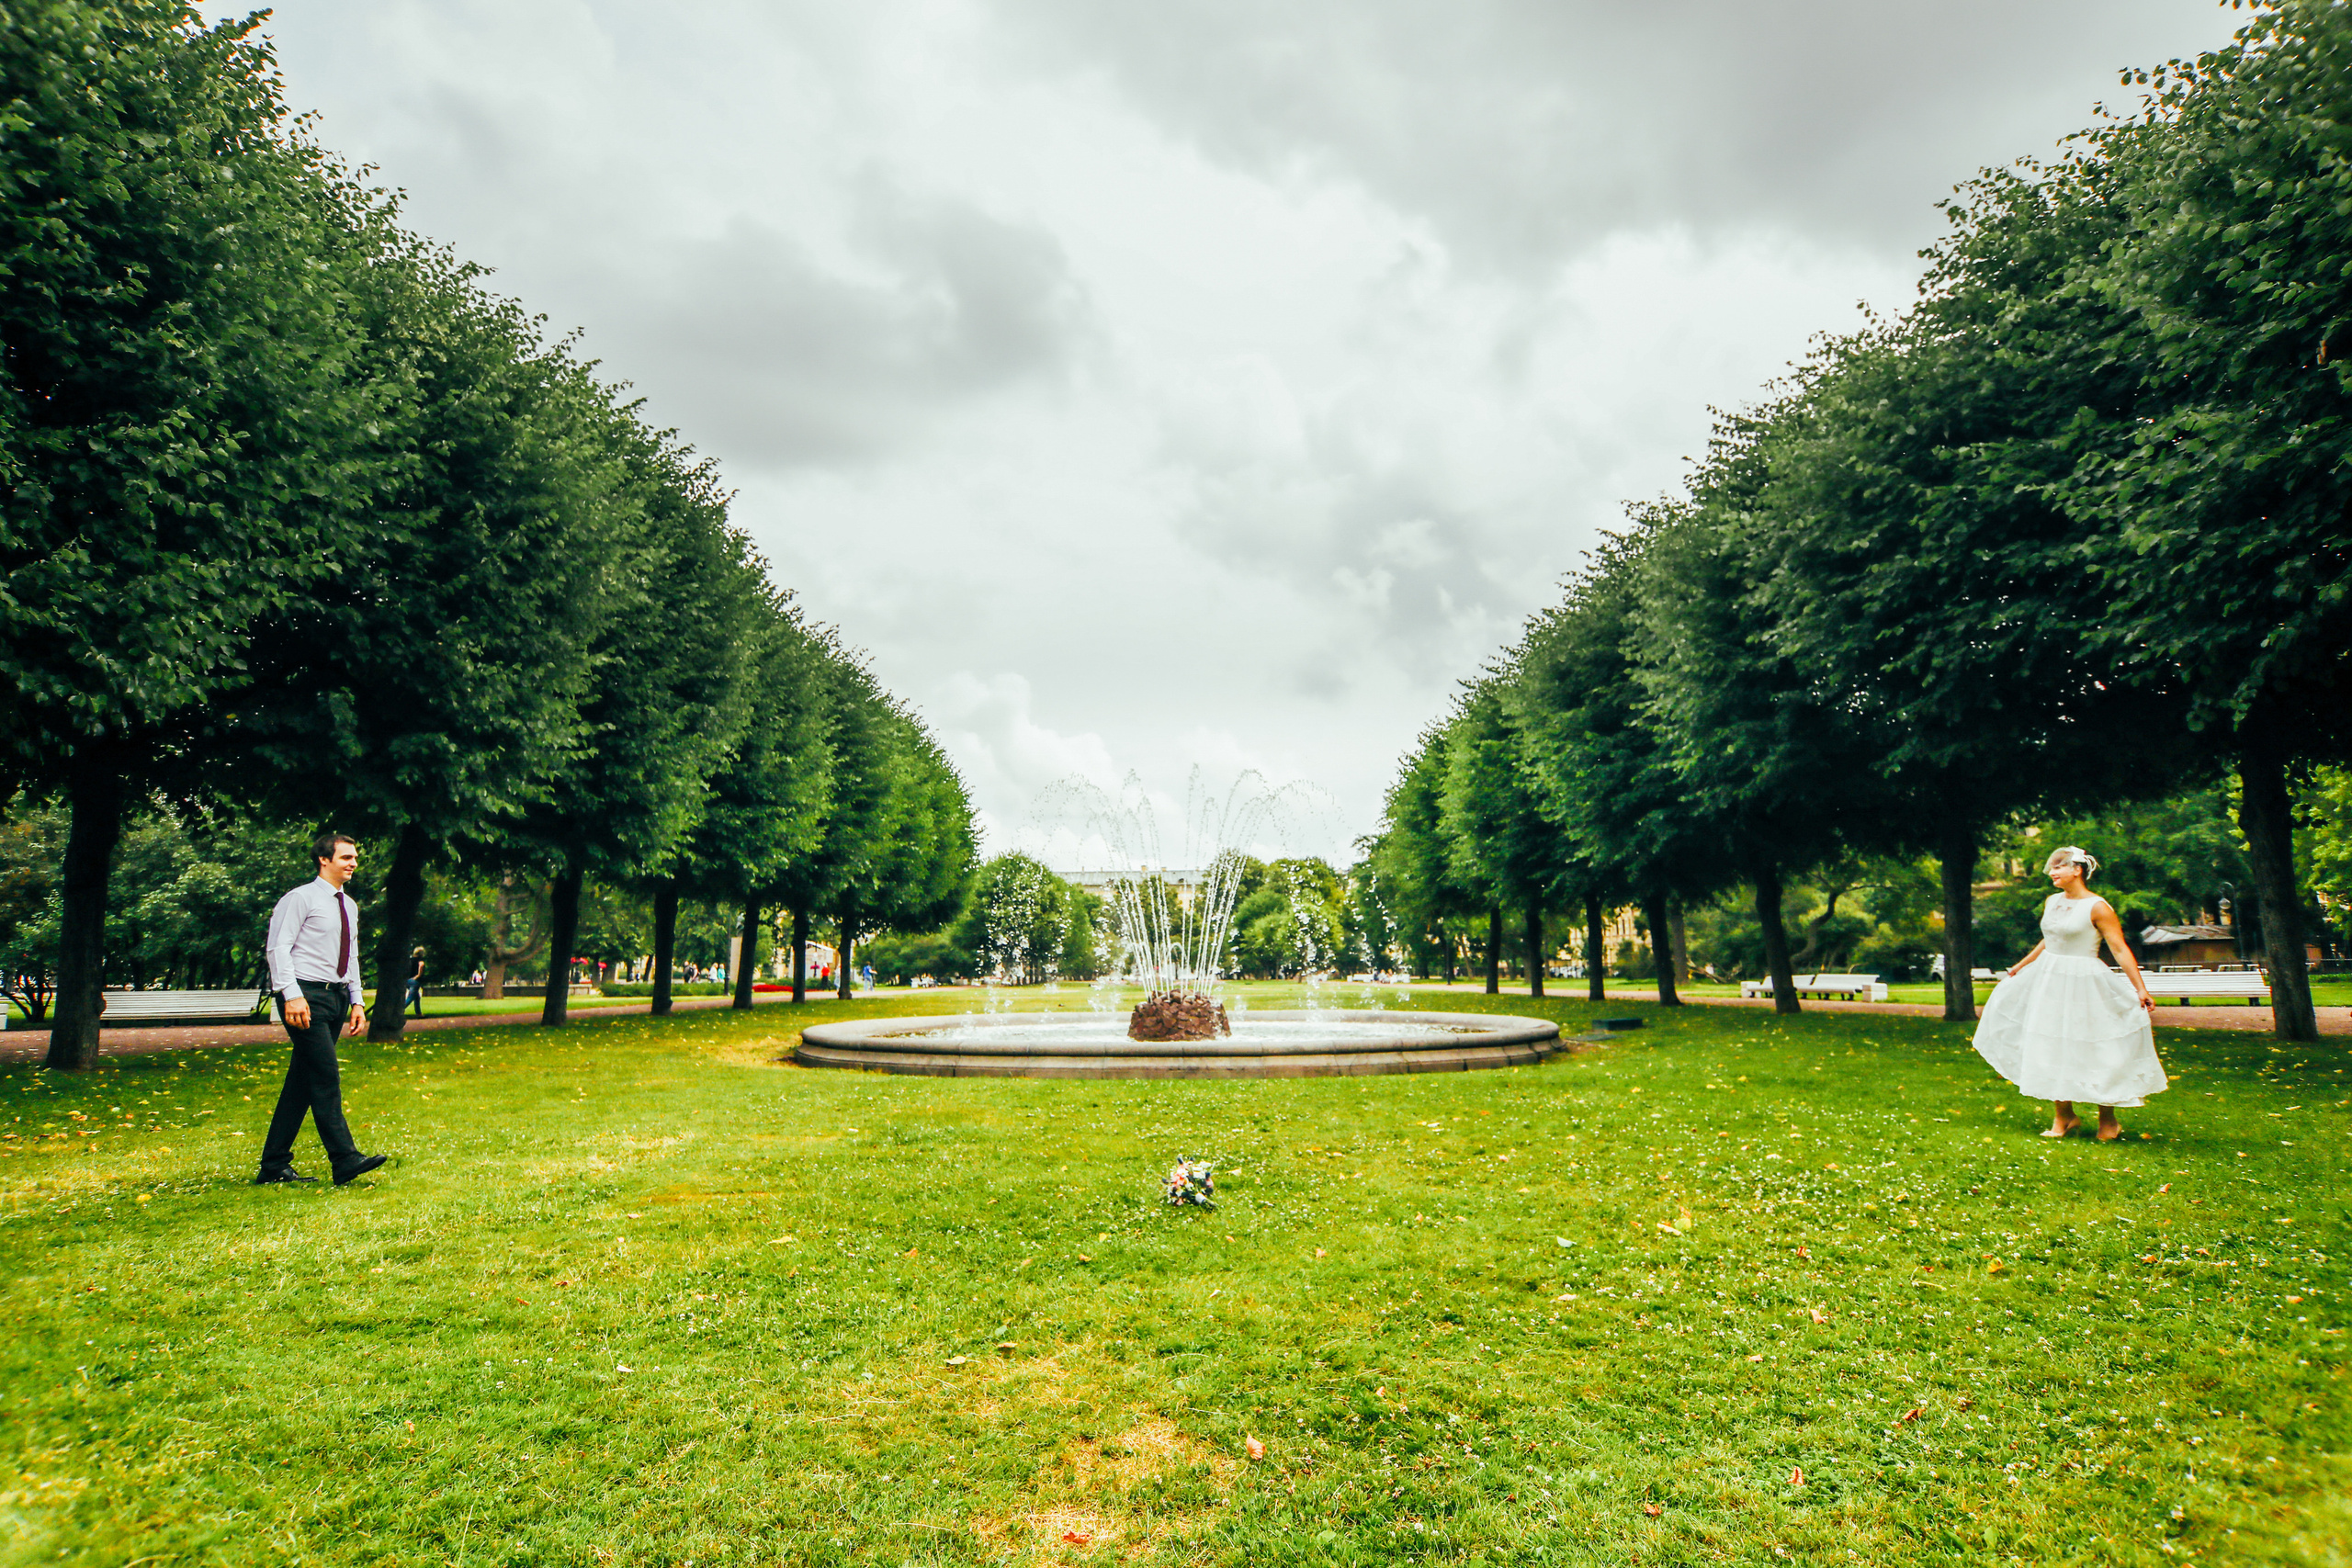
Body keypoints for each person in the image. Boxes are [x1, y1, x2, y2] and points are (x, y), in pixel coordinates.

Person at [1972, 845, 2166, 1141]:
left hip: (2085, 981)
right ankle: (2064, 1117)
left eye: (2059, 867)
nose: (2052, 872)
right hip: (2050, 979)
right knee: (2050, 1044)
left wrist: (2140, 988)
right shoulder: (2052, 901)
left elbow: (2118, 947)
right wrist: (2021, 965)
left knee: (2096, 1046)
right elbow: (2049, 939)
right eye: (2052, 867)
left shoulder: (2098, 907)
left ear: (2077, 870)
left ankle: (2108, 1121)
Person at [258, 831, 390, 1185]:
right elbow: (278, 948)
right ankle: (344, 1158)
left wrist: (358, 1000)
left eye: (355, 857)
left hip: (335, 999)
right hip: (304, 998)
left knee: (302, 1082)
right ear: (324, 859)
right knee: (325, 1075)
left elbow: (351, 957)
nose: (354, 863)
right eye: (346, 857)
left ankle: (273, 1165)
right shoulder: (299, 899)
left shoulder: (349, 905)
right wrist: (291, 994)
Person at [405, 949, 425, 1018]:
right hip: (415, 981)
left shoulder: (410, 960)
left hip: (407, 980)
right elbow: (421, 965)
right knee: (410, 997)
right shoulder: (419, 960)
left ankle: (419, 1013)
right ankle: (398, 1011)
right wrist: (418, 975)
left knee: (417, 997)